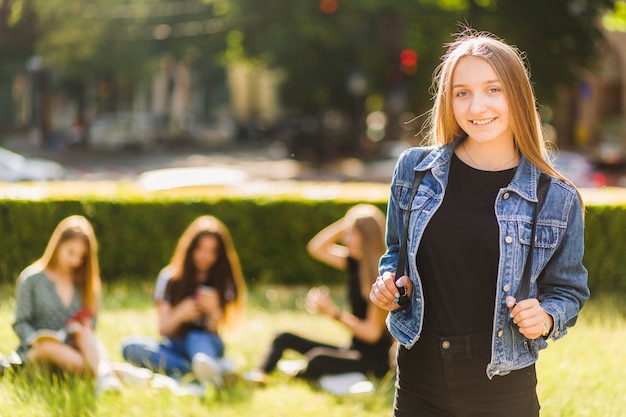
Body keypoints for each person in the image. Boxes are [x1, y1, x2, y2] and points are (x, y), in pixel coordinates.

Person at [369, 30, 590, 417]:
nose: (477, 106)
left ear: (517, 95)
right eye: (462, 92)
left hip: (501, 385)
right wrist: (391, 285)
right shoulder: (415, 171)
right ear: (449, 101)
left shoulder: (556, 196)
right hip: (419, 374)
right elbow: (396, 254)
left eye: (493, 89)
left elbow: (568, 291)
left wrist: (546, 316)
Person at [247, 204, 393, 385]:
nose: (345, 239)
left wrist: (333, 313)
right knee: (283, 338)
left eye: (351, 234)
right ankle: (259, 374)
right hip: (352, 348)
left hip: (373, 360)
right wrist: (348, 221)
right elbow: (316, 248)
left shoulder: (379, 278)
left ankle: (294, 375)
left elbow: (372, 333)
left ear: (365, 237)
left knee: (318, 359)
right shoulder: (355, 264)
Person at [121, 215, 246, 388]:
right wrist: (180, 313)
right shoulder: (169, 278)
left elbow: (217, 329)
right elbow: (163, 329)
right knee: (130, 346)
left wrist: (213, 312)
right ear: (190, 248)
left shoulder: (223, 281)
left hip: (206, 344)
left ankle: (200, 368)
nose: (205, 256)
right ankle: (202, 371)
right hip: (174, 345)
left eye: (212, 251)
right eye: (200, 249)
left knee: (196, 338)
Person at [12, 215, 122, 394]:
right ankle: (108, 373)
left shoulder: (85, 282)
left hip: (75, 348)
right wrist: (35, 338)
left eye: (81, 257)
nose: (75, 261)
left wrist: (81, 326)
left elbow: (92, 322)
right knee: (49, 347)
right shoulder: (31, 279)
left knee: (85, 333)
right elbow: (20, 323)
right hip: (38, 352)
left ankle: (104, 375)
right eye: (71, 252)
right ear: (57, 245)